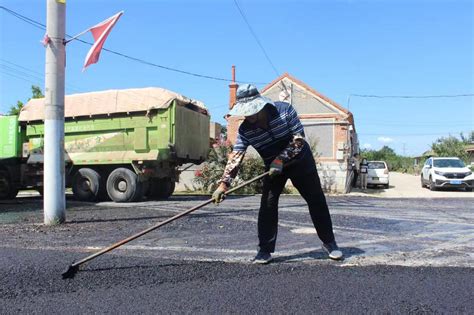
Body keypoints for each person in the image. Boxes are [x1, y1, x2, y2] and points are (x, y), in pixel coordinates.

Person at [212, 84, 343, 264]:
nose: (249, 116)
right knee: (268, 204)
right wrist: (223, 184)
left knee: (316, 199)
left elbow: (298, 140)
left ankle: (330, 242)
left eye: (252, 111)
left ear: (261, 105)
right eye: (245, 112)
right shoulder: (245, 130)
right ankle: (264, 250)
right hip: (273, 169)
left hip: (300, 161)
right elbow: (236, 156)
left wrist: (280, 160)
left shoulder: (284, 111)